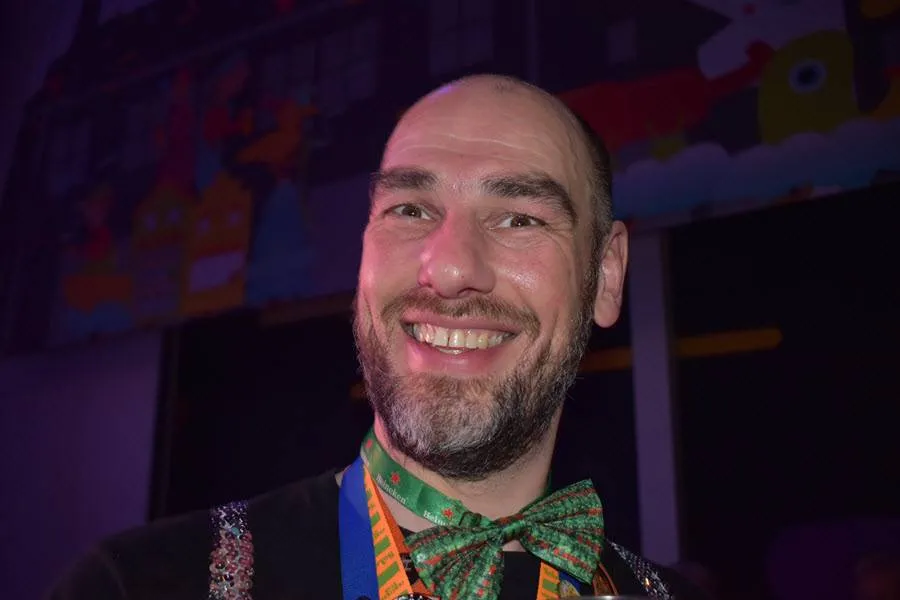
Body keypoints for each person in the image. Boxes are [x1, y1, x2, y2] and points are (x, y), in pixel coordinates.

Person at [49, 74, 704, 599]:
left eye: (518, 219)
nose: (450, 269)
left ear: (606, 275)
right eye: (410, 209)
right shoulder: (139, 585)